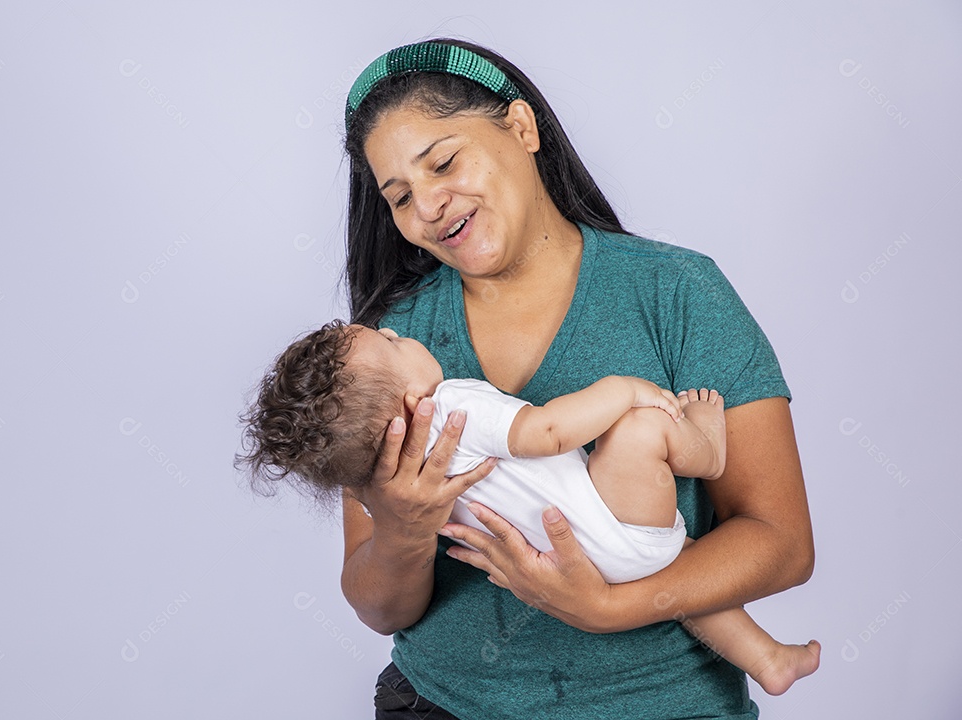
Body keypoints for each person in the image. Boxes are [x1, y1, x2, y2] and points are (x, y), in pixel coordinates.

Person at [316, 38, 812, 718]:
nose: (428, 205)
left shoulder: (676, 292)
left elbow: (781, 544)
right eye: (400, 196)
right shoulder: (385, 352)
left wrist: (611, 607)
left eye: (444, 162)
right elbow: (378, 608)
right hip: (442, 703)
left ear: (522, 128)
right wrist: (403, 526)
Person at [240, 319, 821, 697]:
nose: (396, 329)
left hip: (566, 560)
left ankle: (766, 658)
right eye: (390, 343)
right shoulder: (451, 405)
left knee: (672, 571)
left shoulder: (384, 479)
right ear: (408, 402)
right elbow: (545, 430)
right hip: (610, 524)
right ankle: (706, 450)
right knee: (642, 432)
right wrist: (624, 391)